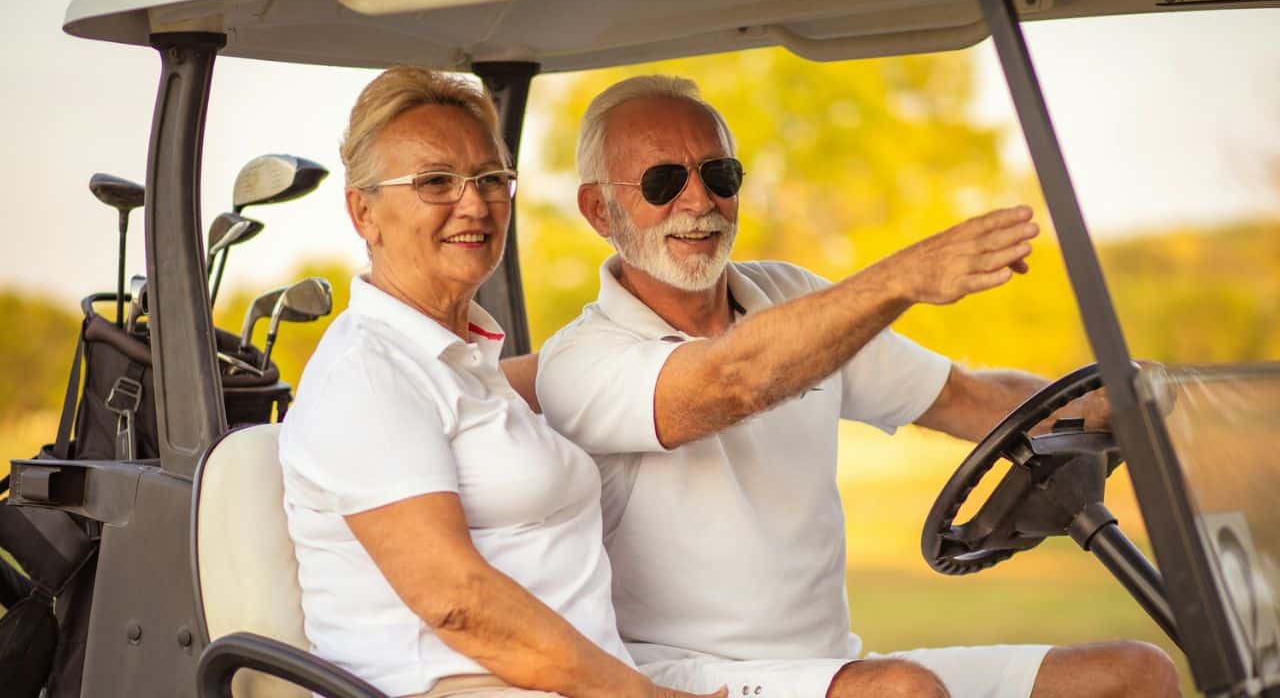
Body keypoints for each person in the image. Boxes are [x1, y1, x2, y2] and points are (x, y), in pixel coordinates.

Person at [534, 75, 1182, 698]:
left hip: (826, 667)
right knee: (901, 692)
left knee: (1135, 676)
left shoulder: (792, 298)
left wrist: (1110, 403)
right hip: (678, 676)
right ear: (599, 209)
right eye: (663, 181)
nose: (699, 201)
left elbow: (964, 398)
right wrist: (904, 278)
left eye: (719, 175)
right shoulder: (580, 360)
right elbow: (730, 380)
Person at [277, 66, 726, 698]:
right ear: (363, 212)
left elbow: (590, 374)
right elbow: (457, 602)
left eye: (491, 179)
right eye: (435, 182)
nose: (474, 202)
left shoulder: (464, 363)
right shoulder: (368, 376)